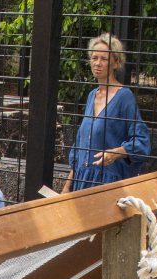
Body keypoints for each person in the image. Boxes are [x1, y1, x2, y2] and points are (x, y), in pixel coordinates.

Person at [61, 33, 150, 193]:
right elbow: (81, 148)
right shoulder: (91, 96)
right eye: (94, 58)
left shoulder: (124, 97)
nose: (97, 63)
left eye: (104, 58)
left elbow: (142, 142)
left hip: (108, 184)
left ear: (116, 62)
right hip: (82, 183)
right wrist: (67, 186)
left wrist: (116, 153)